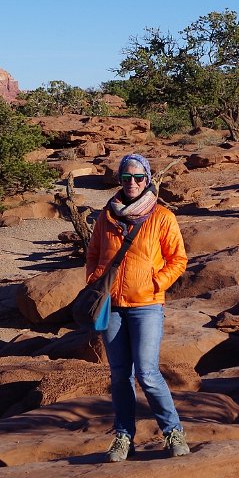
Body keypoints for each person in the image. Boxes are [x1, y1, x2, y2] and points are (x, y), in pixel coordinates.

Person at [86, 153, 190, 462]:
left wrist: (156, 283)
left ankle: (173, 432)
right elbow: (93, 253)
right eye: (126, 178)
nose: (131, 183)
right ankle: (123, 437)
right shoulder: (106, 215)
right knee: (120, 375)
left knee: (147, 371)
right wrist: (94, 278)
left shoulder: (161, 217)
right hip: (112, 306)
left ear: (147, 180)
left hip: (146, 305)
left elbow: (178, 259)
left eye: (138, 178)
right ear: (119, 180)